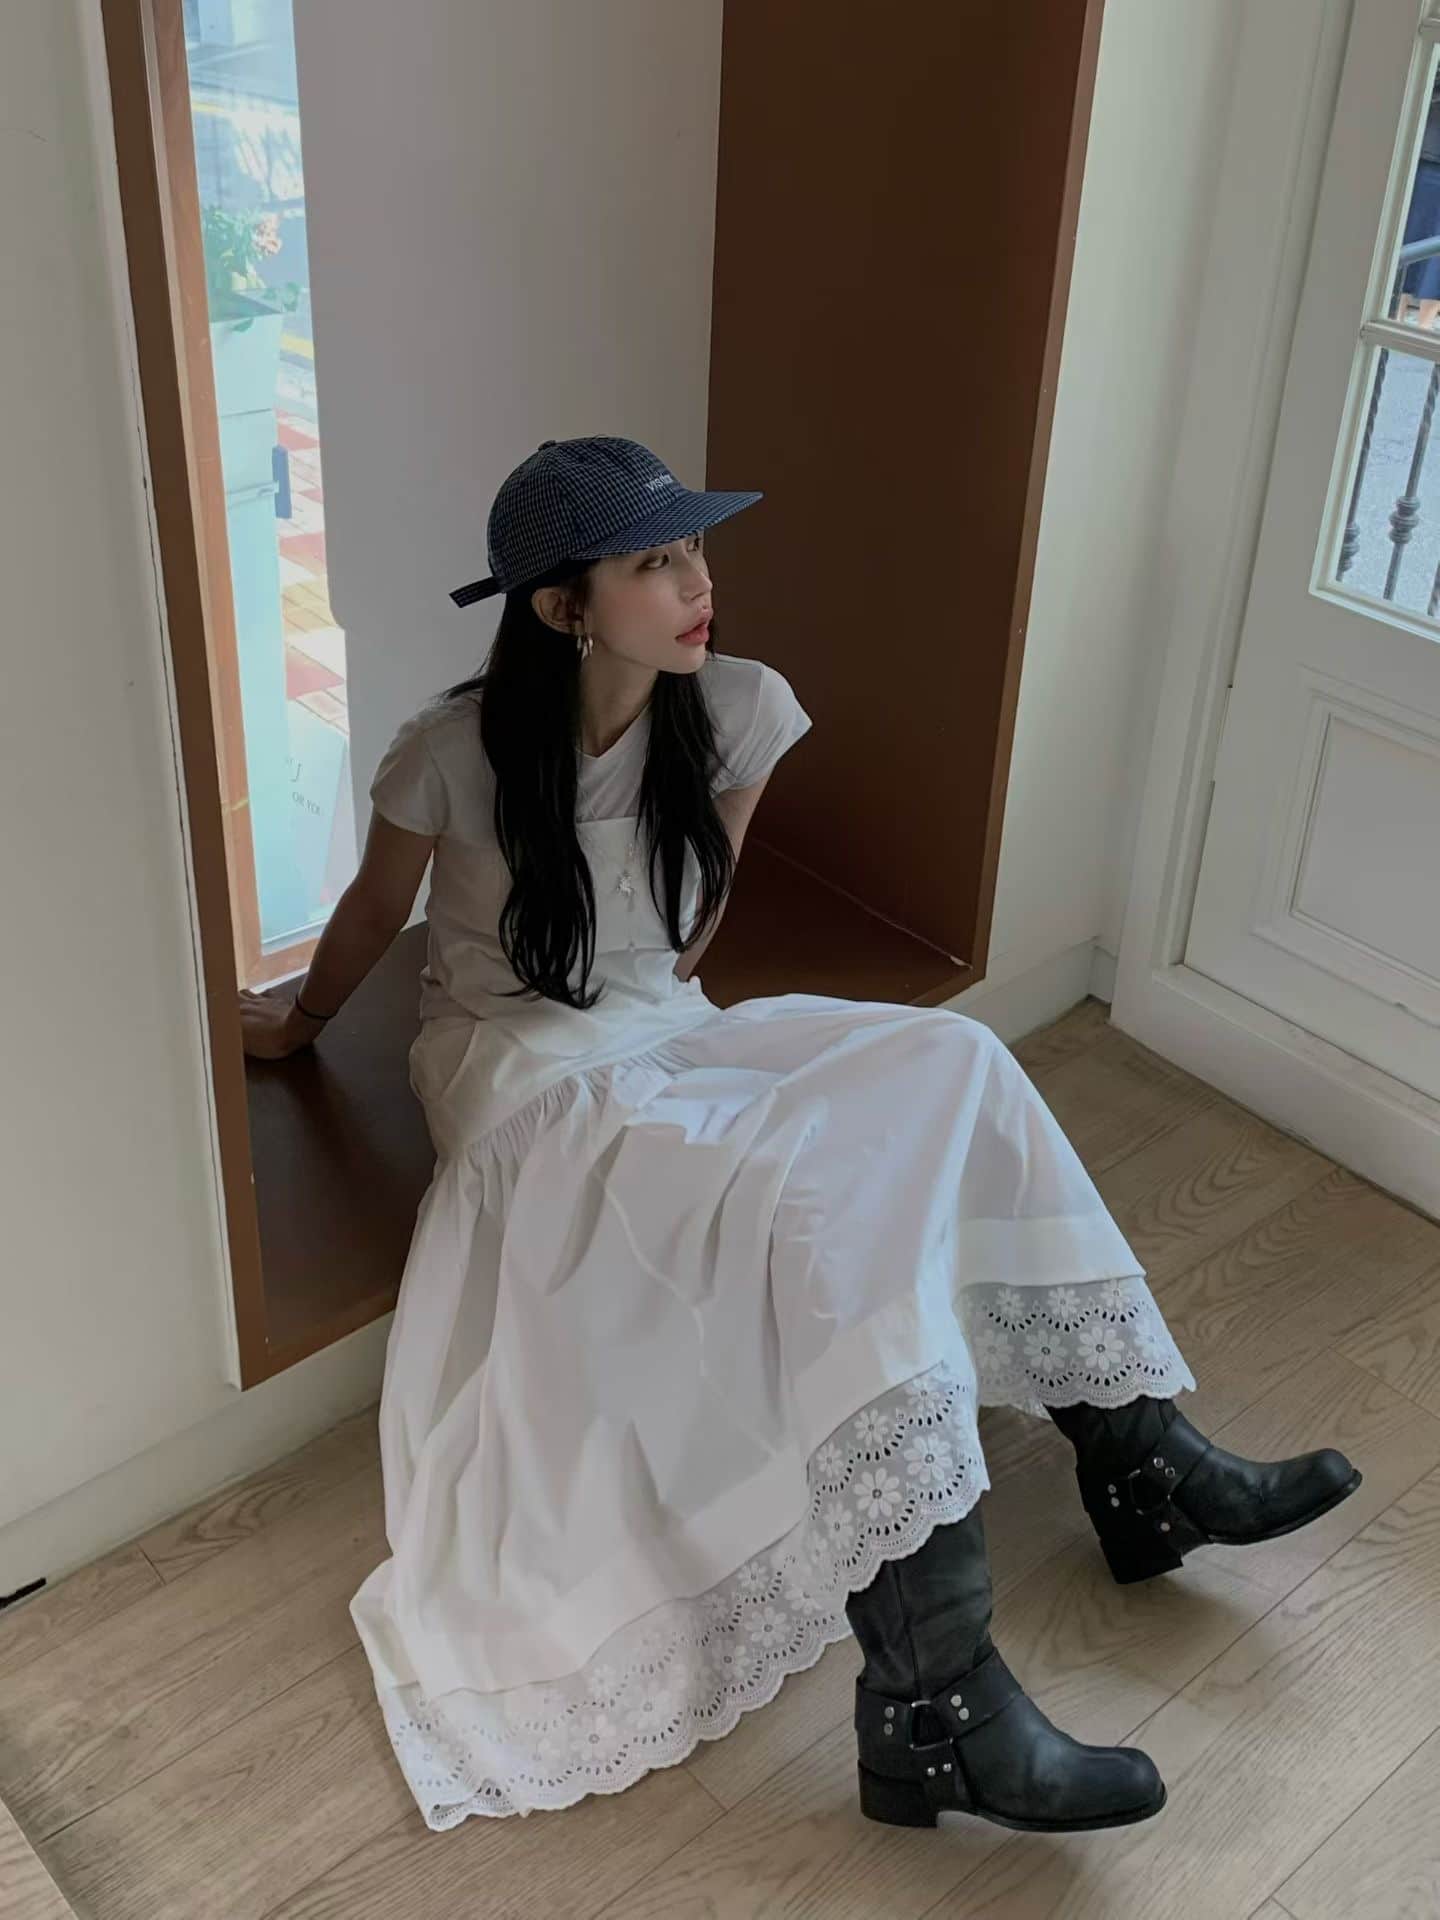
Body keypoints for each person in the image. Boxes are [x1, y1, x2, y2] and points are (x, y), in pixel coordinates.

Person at [240, 436, 1360, 1835]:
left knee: (953, 1059)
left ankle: (1140, 1459)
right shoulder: (449, 751)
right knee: (795, 1202)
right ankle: (935, 1704)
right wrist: (296, 1026)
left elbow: (687, 932)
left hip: (670, 1026)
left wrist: (685, 1022)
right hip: (519, 1072)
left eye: (698, 550)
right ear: (563, 606)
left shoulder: (740, 707)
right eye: (656, 563)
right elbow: (371, 915)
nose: (699, 584)